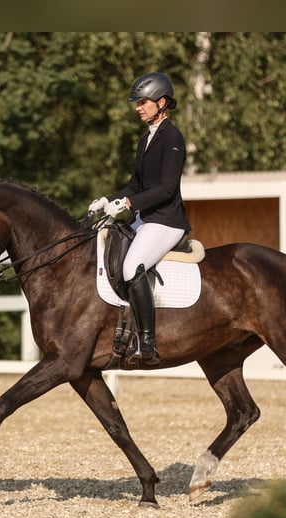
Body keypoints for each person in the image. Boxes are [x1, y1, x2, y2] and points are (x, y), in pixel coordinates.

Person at [88, 71, 191, 366]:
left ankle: (147, 341)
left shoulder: (172, 138)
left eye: (143, 102)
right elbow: (136, 184)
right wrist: (109, 199)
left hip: (166, 221)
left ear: (162, 102)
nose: (137, 107)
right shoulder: (146, 138)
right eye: (137, 103)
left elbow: (166, 188)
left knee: (133, 267)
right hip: (145, 219)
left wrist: (130, 203)